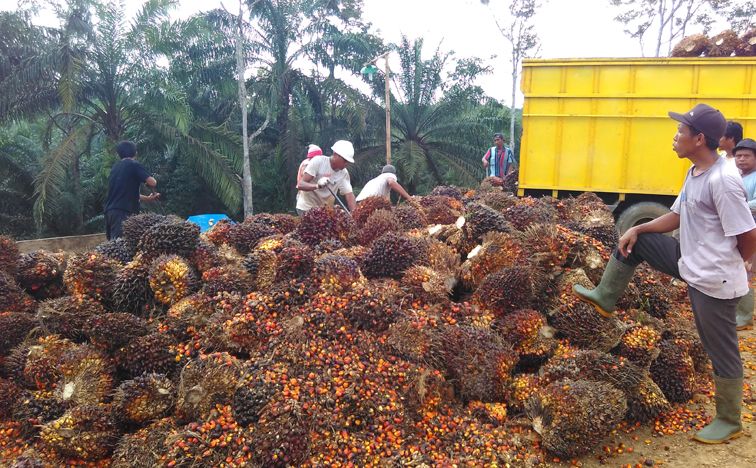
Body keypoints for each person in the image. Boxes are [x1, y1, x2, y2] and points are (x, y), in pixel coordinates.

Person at [572, 104, 756, 445]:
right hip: (689, 260)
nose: (675, 136)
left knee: (720, 348)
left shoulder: (723, 181)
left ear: (699, 139)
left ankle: (729, 420)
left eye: (681, 131)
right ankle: (605, 296)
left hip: (713, 279)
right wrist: (638, 229)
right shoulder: (696, 172)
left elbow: (748, 235)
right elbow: (677, 215)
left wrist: (735, 265)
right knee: (637, 242)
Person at [104, 141, 159, 240]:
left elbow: (126, 193)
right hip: (123, 212)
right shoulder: (133, 164)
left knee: (113, 245)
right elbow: (152, 182)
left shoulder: (115, 168)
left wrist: (148, 198)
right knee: (120, 246)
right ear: (135, 153)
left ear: (119, 154)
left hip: (111, 212)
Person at [296, 140, 357, 215]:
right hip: (306, 208)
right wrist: (317, 186)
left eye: (348, 161)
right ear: (335, 154)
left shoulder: (343, 173)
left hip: (324, 212)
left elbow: (349, 194)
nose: (346, 164)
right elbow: (300, 185)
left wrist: (355, 215)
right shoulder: (318, 161)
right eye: (345, 160)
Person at [734, 138, 756, 331]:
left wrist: (734, 206)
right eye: (738, 156)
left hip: (752, 232)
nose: (741, 159)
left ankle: (745, 317)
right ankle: (737, 314)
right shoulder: (739, 176)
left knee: (745, 272)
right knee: (738, 270)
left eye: (746, 156)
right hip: (740, 230)